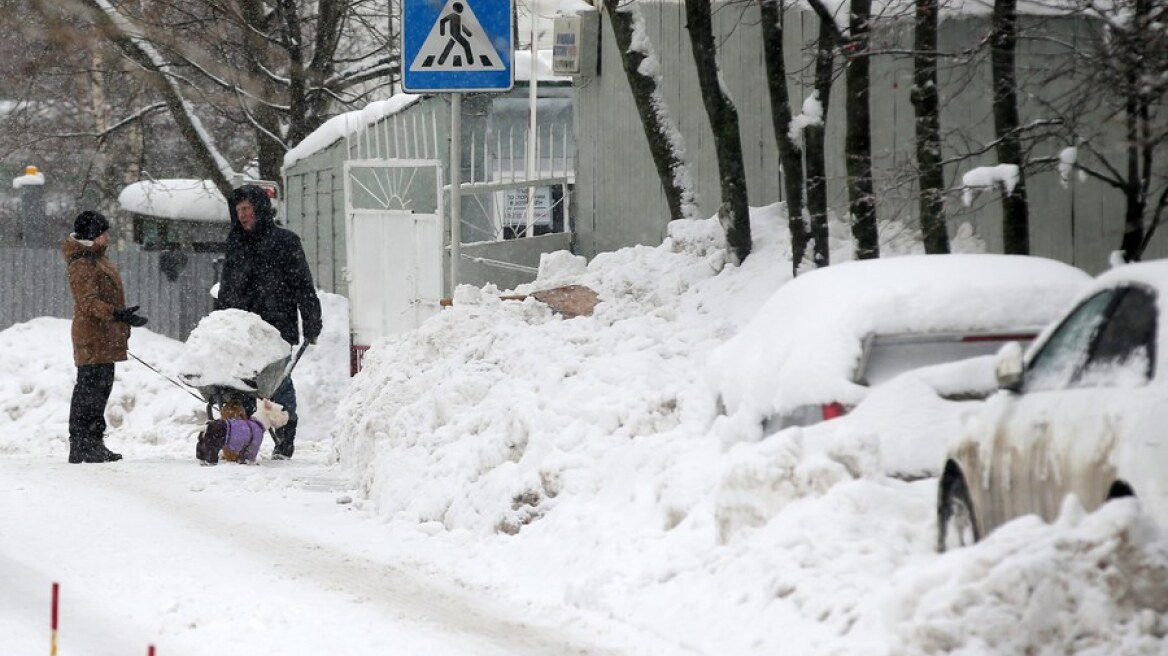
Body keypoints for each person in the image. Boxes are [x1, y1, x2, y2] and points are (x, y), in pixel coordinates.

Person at [215, 185, 322, 459]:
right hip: (242, 328)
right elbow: (226, 286)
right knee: (243, 384)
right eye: (238, 210)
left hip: (277, 326)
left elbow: (302, 285)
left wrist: (312, 318)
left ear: (260, 208)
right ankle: (245, 435)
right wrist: (219, 319)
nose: (243, 215)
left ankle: (286, 434)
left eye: (248, 208)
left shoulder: (285, 242)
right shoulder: (236, 242)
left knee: (276, 384)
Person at [64, 210, 148, 464]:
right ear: (92, 235)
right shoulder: (82, 263)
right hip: (92, 337)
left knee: (99, 389)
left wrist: (120, 317)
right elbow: (88, 303)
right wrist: (116, 314)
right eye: (103, 234)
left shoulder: (96, 259)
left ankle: (91, 443)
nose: (107, 238)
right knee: (89, 390)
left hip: (104, 336)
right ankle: (83, 444)